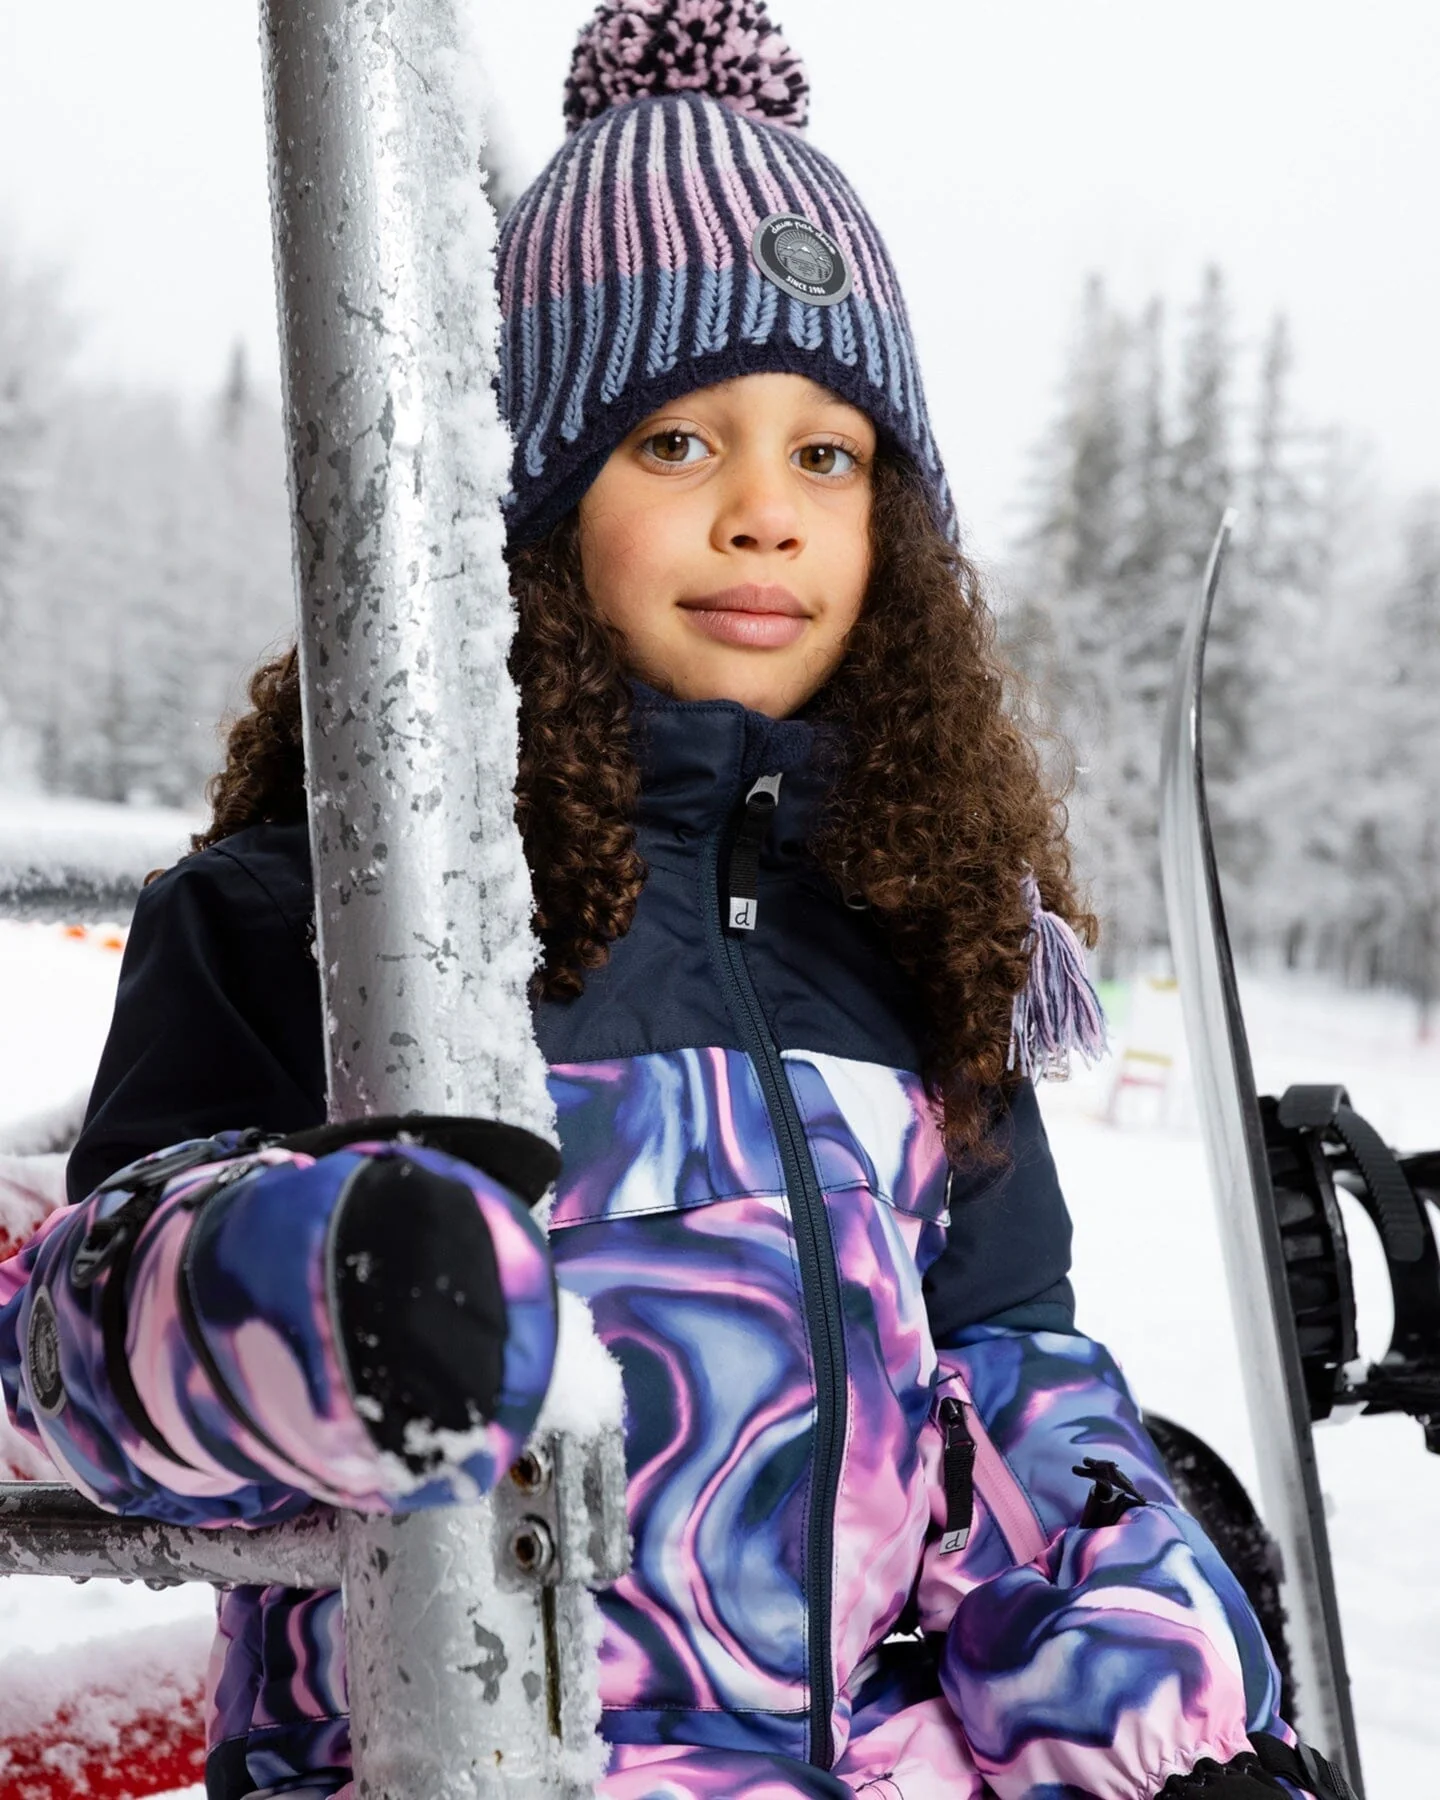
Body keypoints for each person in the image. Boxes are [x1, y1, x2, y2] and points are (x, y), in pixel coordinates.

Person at [0, 3, 1348, 1797]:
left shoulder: (921, 938)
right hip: (436, 1756)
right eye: (677, 444)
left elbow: (1012, 1401)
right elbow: (74, 1349)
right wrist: (302, 1300)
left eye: (827, 454)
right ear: (537, 499)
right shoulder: (315, 922)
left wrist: (1171, 1731)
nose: (767, 518)